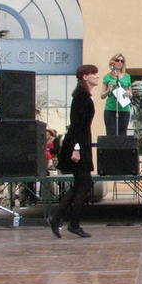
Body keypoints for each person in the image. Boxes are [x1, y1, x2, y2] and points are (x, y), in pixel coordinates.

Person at [48, 64, 100, 238]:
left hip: (80, 144)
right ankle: (73, 223)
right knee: (84, 183)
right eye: (94, 74)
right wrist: (76, 149)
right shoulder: (81, 97)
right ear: (85, 77)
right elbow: (77, 125)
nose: (97, 77)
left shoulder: (84, 96)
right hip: (78, 145)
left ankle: (57, 219)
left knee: (80, 183)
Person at [100, 53, 132, 135]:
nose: (120, 62)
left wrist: (128, 93)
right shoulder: (107, 77)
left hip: (124, 109)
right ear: (113, 62)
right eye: (118, 60)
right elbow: (102, 95)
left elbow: (131, 93)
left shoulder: (127, 76)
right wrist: (108, 90)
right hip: (110, 109)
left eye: (122, 61)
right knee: (111, 133)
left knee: (122, 134)